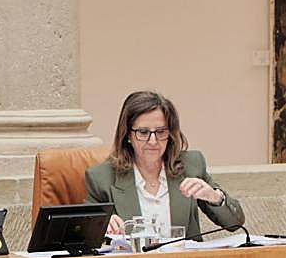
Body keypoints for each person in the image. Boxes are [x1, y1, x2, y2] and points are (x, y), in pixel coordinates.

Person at [85, 90, 245, 239]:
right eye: (143, 132)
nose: (153, 141)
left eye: (161, 132)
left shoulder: (191, 166)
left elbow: (234, 223)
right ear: (128, 134)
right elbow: (84, 233)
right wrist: (101, 225)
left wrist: (214, 196)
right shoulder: (102, 178)